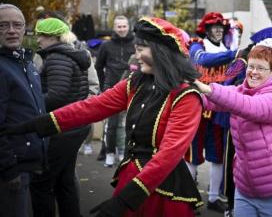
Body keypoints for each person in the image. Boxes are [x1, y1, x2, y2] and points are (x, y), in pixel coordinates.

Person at [0, 17, 204, 216]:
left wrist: (125, 199)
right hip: (131, 176)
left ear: (161, 53)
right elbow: (92, 107)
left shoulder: (186, 96)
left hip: (160, 187)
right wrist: (37, 124)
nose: (136, 56)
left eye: (141, 50)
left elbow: (169, 154)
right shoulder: (136, 82)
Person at [194, 45, 272, 217]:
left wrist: (207, 88)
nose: (254, 72)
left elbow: (248, 106)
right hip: (245, 188)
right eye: (251, 66)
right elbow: (209, 100)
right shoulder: (241, 90)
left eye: (261, 68)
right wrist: (185, 88)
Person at [29, 17, 91, 217]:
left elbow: (57, 95)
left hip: (61, 128)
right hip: (74, 126)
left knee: (41, 184)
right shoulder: (70, 54)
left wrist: (31, 104)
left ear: (54, 37)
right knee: (64, 181)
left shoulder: (57, 57)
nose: (38, 40)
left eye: (42, 36)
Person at [185, 12, 237, 213]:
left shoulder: (227, 49)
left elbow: (231, 77)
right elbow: (203, 60)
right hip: (196, 108)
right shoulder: (197, 46)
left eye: (221, 28)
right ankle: (188, 199)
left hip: (218, 112)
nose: (217, 31)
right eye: (214, 28)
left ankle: (214, 197)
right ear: (206, 30)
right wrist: (234, 54)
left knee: (218, 156)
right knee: (192, 155)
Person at [0, 4, 47, 217]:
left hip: (27, 163)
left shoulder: (24, 61)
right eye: (3, 25)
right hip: (11, 169)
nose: (11, 30)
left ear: (24, 29)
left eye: (17, 25)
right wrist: (8, 168)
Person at [95, 15, 135, 166]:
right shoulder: (106, 45)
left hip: (132, 86)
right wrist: (103, 83)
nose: (122, 29)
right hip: (111, 87)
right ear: (114, 28)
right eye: (119, 27)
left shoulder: (136, 43)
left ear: (128, 26)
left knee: (129, 123)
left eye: (124, 26)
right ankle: (110, 153)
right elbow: (98, 66)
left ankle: (124, 152)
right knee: (111, 123)